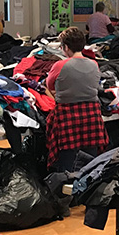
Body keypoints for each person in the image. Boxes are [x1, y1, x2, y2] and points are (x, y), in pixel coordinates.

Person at [45, 27, 108, 172]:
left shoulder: (60, 65)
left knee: (67, 161)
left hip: (68, 118)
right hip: (92, 117)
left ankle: (66, 188)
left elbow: (49, 85)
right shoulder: (94, 64)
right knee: (89, 160)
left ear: (66, 47)